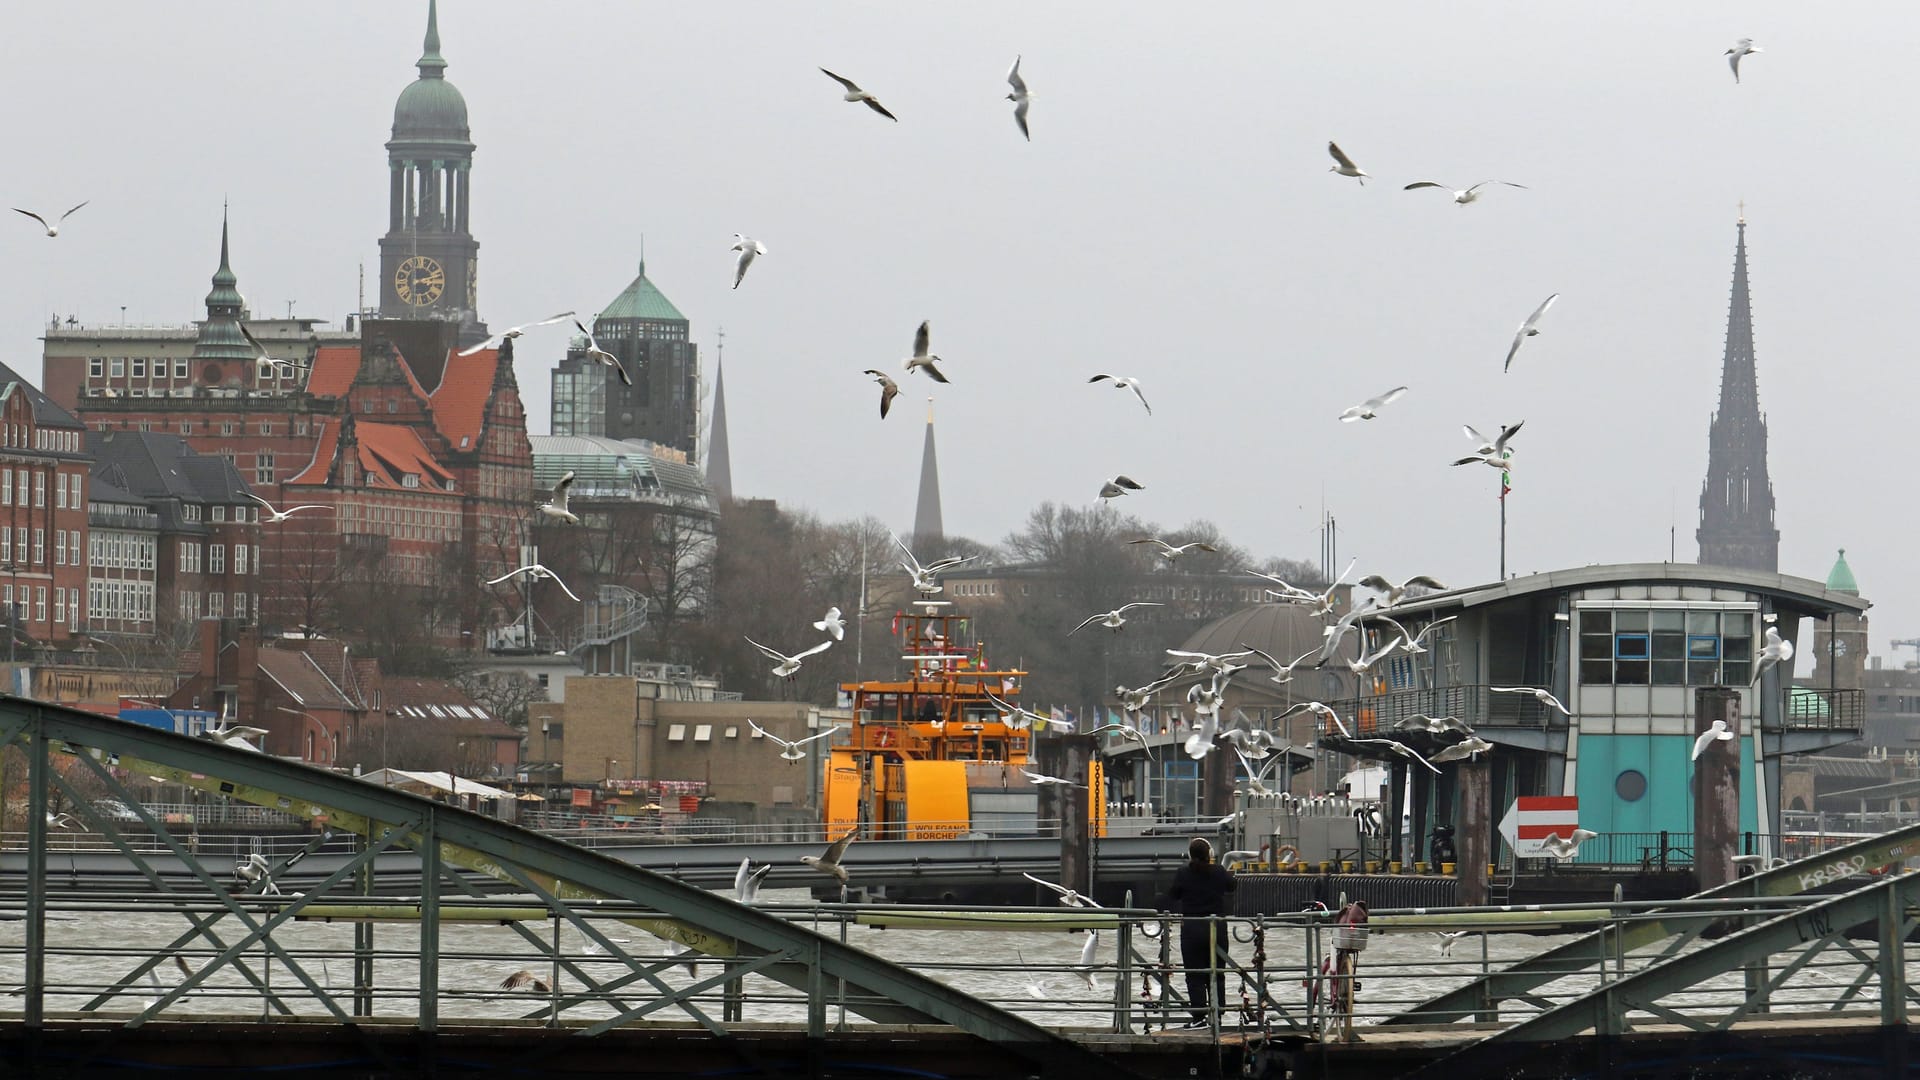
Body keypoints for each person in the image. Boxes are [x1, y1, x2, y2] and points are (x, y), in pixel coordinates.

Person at [1166, 835, 1237, 1028]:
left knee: (1194, 974)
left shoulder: (1183, 872)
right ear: (1209, 854)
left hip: (1192, 928)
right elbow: (1232, 886)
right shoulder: (1219, 871)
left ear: (1190, 855)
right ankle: (1218, 1015)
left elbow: (1173, 894)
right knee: (1217, 972)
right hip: (1217, 927)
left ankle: (1199, 1017)